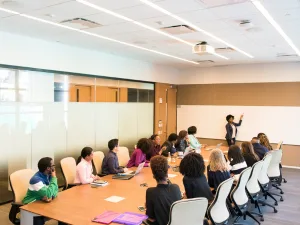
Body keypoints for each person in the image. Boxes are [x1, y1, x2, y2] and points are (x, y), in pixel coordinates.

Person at [23, 157, 67, 225]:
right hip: (31, 205)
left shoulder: (48, 176)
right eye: (53, 166)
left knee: (63, 212)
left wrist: (51, 196)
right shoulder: (36, 179)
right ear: (48, 168)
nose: (54, 168)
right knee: (39, 220)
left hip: (43, 203)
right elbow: (48, 193)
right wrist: (54, 178)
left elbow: (56, 190)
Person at [145, 156, 181, 225]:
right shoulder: (176, 187)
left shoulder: (150, 192)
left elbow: (151, 219)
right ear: (167, 171)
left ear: (153, 174)